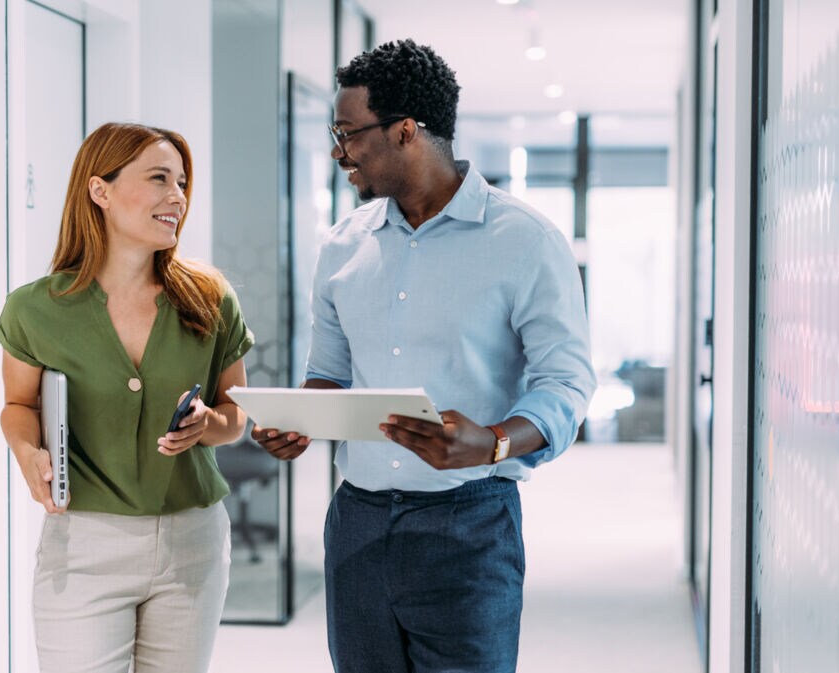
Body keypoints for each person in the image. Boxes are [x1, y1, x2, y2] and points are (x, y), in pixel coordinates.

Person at [251, 39, 597, 673]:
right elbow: (328, 376)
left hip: (469, 524)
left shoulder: (525, 241)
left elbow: (566, 384)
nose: (337, 152)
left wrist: (491, 442)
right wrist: (300, 421)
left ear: (405, 131)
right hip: (356, 522)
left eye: (348, 133)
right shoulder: (341, 247)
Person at [0, 122, 253, 673]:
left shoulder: (210, 297)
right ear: (100, 191)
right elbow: (19, 406)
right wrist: (27, 452)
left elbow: (237, 417)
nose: (177, 197)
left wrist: (208, 423)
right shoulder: (34, 308)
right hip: (84, 546)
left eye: (182, 182)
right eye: (159, 178)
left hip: (192, 545)